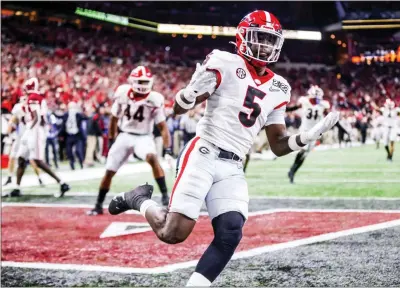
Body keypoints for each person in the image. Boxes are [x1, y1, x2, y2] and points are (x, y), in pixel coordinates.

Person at [108, 11, 339, 286]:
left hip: (233, 164)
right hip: (204, 151)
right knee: (173, 233)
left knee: (231, 232)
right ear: (242, 38)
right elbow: (181, 106)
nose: (264, 46)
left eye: (270, 40)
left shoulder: (280, 87)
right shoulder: (225, 61)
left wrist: (306, 137)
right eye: (259, 38)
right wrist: (189, 93)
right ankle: (138, 199)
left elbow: (277, 144)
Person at [87, 66, 172, 216]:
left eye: (146, 81)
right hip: (125, 135)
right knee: (109, 170)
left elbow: (163, 127)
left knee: (152, 158)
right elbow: (113, 119)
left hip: (144, 137)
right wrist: (112, 141)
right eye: (141, 81)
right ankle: (98, 204)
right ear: (133, 81)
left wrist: (168, 149)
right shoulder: (122, 94)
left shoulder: (154, 99)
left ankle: (165, 196)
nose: (144, 84)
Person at [6, 77, 70, 197]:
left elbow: (37, 118)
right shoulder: (36, 98)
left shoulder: (33, 98)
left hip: (35, 131)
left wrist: (28, 131)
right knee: (21, 158)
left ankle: (62, 183)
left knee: (37, 160)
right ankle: (17, 188)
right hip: (33, 129)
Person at [286, 85, 330, 184]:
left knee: (304, 155)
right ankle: (292, 171)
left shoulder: (322, 105)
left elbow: (328, 117)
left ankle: (292, 171)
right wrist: (282, 109)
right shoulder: (305, 101)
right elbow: (293, 107)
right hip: (305, 130)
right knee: (303, 150)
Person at [3, 95, 44, 187]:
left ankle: (39, 177)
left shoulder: (32, 107)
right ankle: (10, 177)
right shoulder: (18, 108)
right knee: (13, 156)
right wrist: (8, 133)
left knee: (32, 159)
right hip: (20, 137)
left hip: (28, 137)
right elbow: (12, 120)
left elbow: (37, 120)